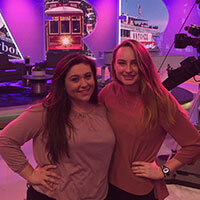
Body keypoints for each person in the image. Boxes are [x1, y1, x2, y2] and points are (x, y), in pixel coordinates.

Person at [0, 53, 115, 200]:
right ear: (63, 84)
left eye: (88, 76)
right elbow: (5, 140)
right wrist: (30, 174)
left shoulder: (102, 110)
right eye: (75, 79)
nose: (84, 84)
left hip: (98, 195)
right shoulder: (46, 112)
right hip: (53, 195)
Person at [98, 39, 200, 200]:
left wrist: (164, 170)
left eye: (135, 63)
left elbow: (194, 143)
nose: (128, 69)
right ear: (114, 66)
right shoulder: (108, 92)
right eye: (122, 63)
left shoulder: (159, 100)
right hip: (103, 182)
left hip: (136, 189)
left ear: (144, 66)